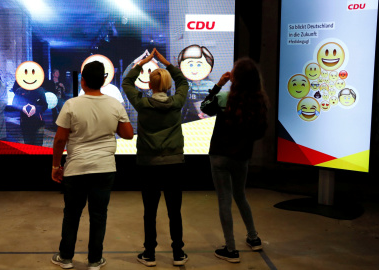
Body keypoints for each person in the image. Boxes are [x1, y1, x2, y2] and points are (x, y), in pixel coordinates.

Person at [50, 61, 133, 270]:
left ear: (83, 81)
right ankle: (95, 260)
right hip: (104, 168)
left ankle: (66, 258)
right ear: (104, 81)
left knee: (72, 214)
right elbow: (128, 134)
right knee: (99, 215)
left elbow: (59, 140)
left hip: (76, 168)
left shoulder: (71, 104)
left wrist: (55, 166)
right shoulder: (115, 104)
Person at [122, 48, 189, 267]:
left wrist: (143, 62)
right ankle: (178, 253)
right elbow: (184, 82)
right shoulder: (177, 102)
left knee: (149, 212)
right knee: (174, 211)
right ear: (168, 85)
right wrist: (166, 63)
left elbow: (126, 83)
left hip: (148, 165)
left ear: (149, 85)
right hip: (174, 164)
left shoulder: (142, 104)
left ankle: (149, 253)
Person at [200, 57, 269, 263]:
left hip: (219, 156)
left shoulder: (224, 98)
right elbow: (259, 132)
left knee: (224, 200)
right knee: (240, 196)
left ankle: (231, 249)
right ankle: (253, 238)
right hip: (242, 157)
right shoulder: (259, 102)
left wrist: (219, 84)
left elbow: (204, 106)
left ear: (235, 78)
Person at [177, 45, 216, 122]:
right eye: (191, 65)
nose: (194, 69)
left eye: (199, 65)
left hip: (207, 121)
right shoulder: (186, 86)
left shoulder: (210, 85)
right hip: (190, 121)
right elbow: (184, 107)